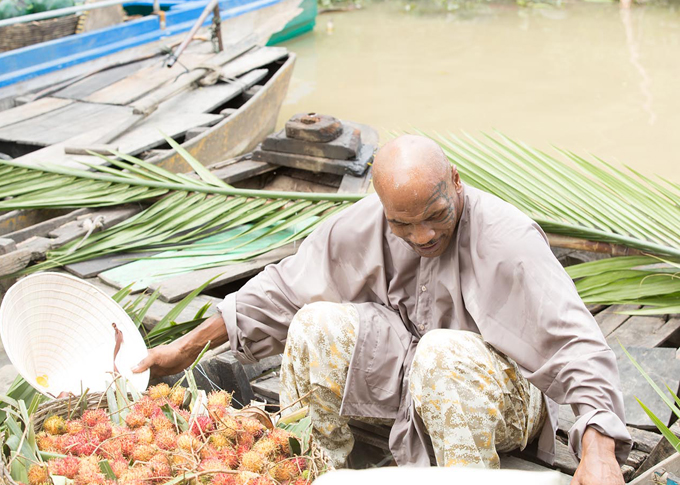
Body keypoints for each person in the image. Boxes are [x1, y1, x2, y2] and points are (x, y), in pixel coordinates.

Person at [134, 134, 631, 484]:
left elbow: (576, 344)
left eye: (435, 216)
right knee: (313, 323)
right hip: (408, 381)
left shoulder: (509, 240)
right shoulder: (367, 221)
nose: (423, 236)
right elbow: (283, 289)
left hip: (498, 399)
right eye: (403, 225)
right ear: (384, 208)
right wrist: (186, 346)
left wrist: (599, 448)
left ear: (456, 182)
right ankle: (320, 471)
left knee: (441, 353)